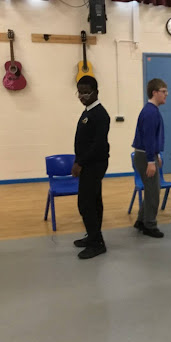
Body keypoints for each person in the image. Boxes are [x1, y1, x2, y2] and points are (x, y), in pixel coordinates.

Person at [72, 76, 110, 259]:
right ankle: (94, 236)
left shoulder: (101, 114)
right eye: (80, 92)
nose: (82, 96)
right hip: (87, 163)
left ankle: (97, 243)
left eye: (86, 92)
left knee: (86, 203)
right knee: (93, 201)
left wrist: (80, 162)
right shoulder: (88, 111)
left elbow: (97, 145)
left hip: (94, 164)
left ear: (96, 92)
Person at [131, 78, 167, 238]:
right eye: (164, 91)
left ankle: (141, 220)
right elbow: (148, 138)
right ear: (155, 92)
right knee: (153, 191)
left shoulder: (150, 111)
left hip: (146, 154)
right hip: (145, 156)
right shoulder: (151, 112)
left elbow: (151, 138)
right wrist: (151, 161)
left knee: (151, 189)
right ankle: (149, 225)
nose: (166, 95)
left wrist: (156, 154)